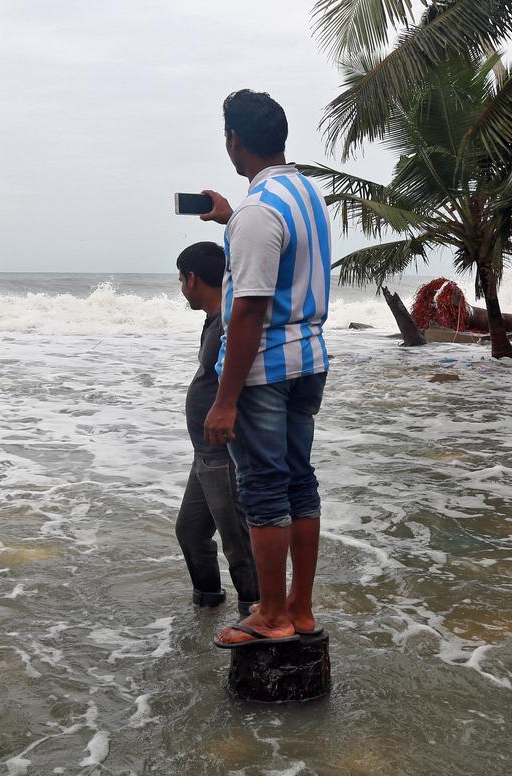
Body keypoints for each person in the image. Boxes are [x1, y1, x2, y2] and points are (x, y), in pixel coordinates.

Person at [199, 89, 331, 648]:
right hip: (310, 363)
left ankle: (270, 614)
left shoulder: (258, 212)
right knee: (300, 482)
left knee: (264, 489)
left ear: (235, 140)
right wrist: (231, 218)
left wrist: (224, 399)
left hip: (266, 372)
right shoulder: (303, 193)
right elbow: (284, 256)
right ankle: (298, 609)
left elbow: (249, 310)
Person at [174, 241, 260, 618]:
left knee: (237, 540)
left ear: (192, 278)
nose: (181, 287)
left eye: (180, 278)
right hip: (204, 453)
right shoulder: (218, 318)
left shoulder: (229, 318)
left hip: (221, 450)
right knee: (191, 532)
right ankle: (208, 603)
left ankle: (255, 612)